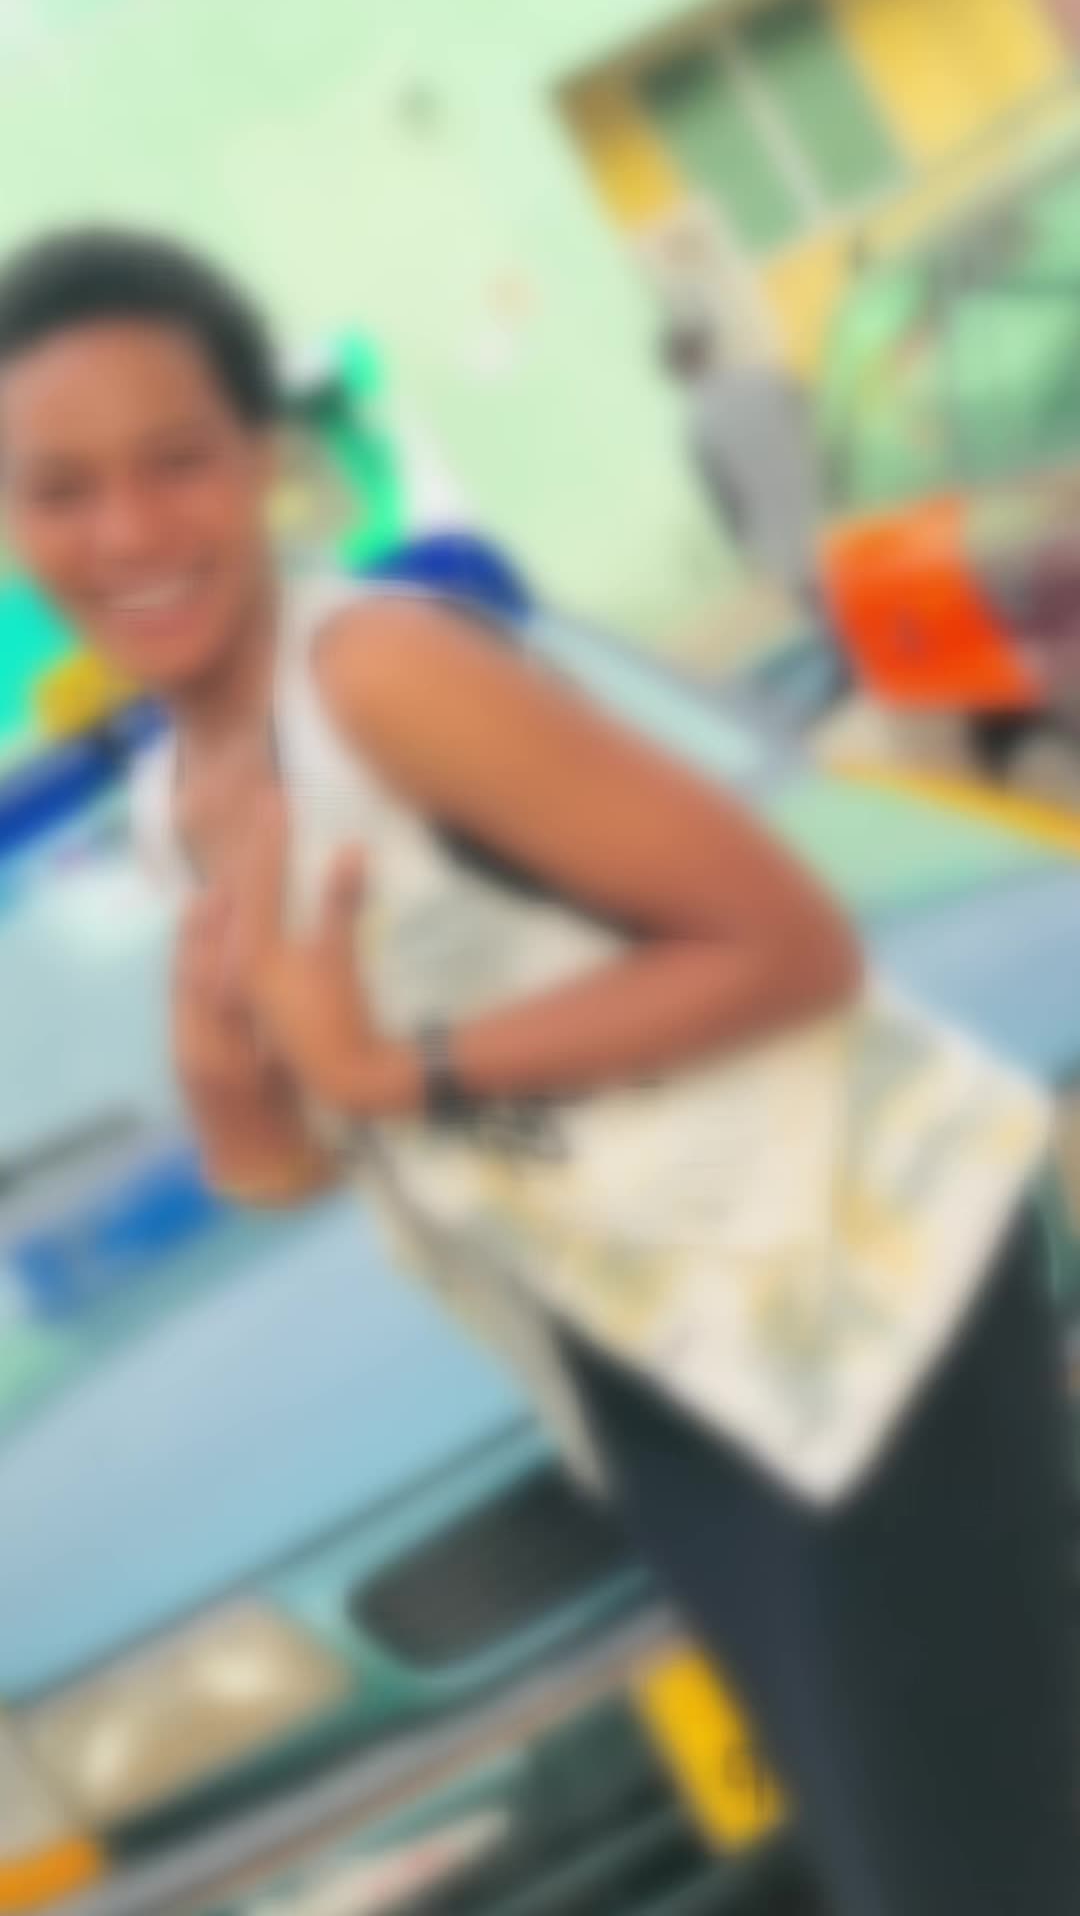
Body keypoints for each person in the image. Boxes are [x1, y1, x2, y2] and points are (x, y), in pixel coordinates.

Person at [0, 228, 1074, 1916]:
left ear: (264, 460)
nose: (127, 531)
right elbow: (315, 1160)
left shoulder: (382, 674)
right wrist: (237, 1098)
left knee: (971, 1872)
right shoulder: (174, 803)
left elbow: (787, 944)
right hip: (657, 1377)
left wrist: (400, 1066)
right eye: (60, 490)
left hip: (857, 1293)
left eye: (176, 461)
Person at [661, 316, 825, 613]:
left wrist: (748, 554)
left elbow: (727, 504)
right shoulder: (766, 381)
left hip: (788, 549)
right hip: (833, 519)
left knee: (833, 623)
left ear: (678, 372)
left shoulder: (702, 428)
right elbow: (821, 428)